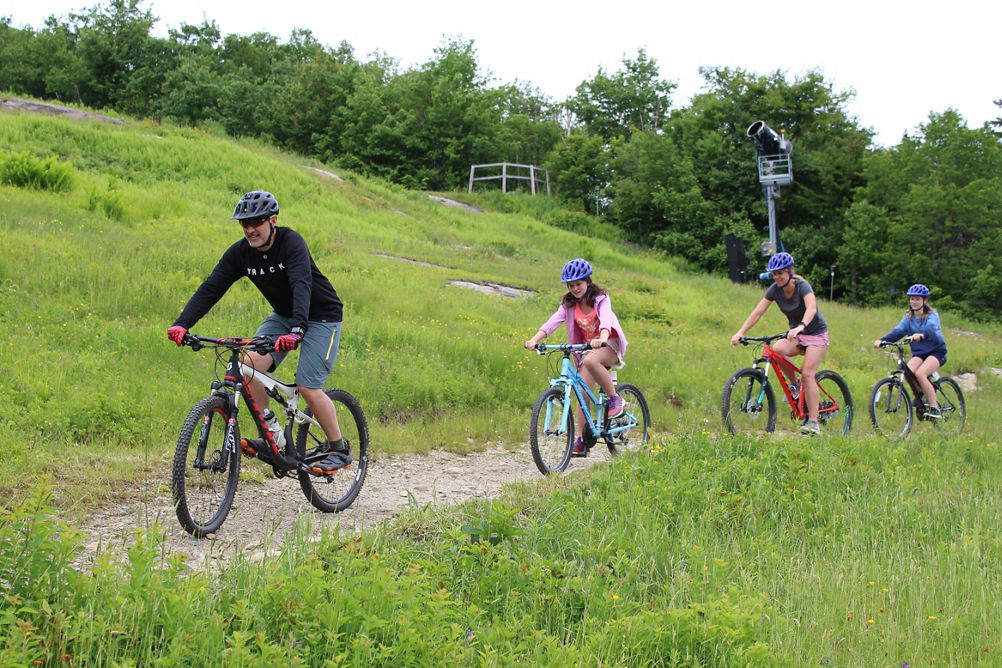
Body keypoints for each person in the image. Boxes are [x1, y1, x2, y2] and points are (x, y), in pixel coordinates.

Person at [167, 190, 351, 474]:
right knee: (247, 367)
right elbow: (211, 288)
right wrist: (182, 323)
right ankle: (273, 438)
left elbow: (302, 284)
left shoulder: (291, 242)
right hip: (284, 316)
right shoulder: (240, 254)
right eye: (244, 224)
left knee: (307, 386)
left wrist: (298, 329)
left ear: (272, 220)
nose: (250, 229)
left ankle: (338, 448)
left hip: (321, 317)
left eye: (256, 222)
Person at [524, 259, 628, 456]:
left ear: (588, 281)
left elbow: (606, 319)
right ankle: (581, 441)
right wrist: (534, 339)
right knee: (581, 391)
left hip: (608, 345)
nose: (575, 289)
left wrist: (602, 337)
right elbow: (552, 323)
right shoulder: (569, 304)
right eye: (571, 285)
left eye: (578, 284)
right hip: (587, 349)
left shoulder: (601, 298)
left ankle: (615, 399)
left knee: (590, 360)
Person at [730, 252, 830, 435]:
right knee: (776, 349)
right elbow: (757, 313)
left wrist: (801, 325)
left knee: (808, 374)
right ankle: (795, 385)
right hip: (796, 336)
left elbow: (812, 308)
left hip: (815, 334)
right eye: (774, 274)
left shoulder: (802, 286)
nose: (777, 277)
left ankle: (813, 422)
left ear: (790, 272)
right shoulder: (774, 290)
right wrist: (741, 332)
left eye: (781, 273)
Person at [872, 283, 947, 418]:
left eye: (917, 299)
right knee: (908, 373)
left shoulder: (932, 315)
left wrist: (921, 335)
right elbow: (899, 331)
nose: (914, 302)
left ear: (925, 300)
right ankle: (923, 395)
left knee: (921, 374)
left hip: (936, 352)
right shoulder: (909, 318)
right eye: (912, 298)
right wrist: (882, 341)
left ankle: (935, 408)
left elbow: (931, 329)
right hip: (919, 353)